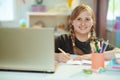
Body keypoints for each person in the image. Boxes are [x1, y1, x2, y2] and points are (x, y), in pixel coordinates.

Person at [55, 4, 120, 63]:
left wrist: (89, 56)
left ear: (92, 22)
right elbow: (45, 53)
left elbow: (118, 52)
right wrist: (57, 56)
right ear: (72, 21)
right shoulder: (62, 40)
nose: (83, 23)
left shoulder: (98, 44)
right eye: (79, 19)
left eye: (87, 19)